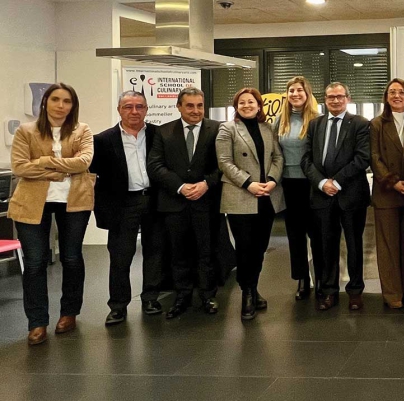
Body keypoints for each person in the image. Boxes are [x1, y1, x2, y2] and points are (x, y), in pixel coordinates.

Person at [9, 83, 94, 346]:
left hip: (74, 201)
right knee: (35, 263)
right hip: (32, 203)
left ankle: (69, 313)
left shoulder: (82, 130)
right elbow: (20, 167)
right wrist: (59, 171)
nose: (61, 105)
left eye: (66, 101)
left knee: (71, 257)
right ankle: (37, 322)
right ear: (45, 102)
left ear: (73, 105)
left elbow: (84, 162)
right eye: (55, 99)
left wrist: (43, 161)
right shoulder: (26, 131)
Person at [90, 90, 165, 326]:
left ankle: (151, 298)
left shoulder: (158, 134)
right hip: (122, 205)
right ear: (119, 110)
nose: (134, 111)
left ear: (146, 109)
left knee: (154, 252)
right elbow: (95, 178)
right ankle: (118, 306)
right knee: (121, 256)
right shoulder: (102, 140)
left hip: (153, 200)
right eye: (128, 106)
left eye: (139, 106)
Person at [147, 86, 222, 319]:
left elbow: (224, 165)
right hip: (174, 203)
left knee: (206, 252)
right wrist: (180, 186)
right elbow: (155, 165)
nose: (195, 110)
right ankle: (182, 297)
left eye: (199, 105)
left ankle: (208, 295)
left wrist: (206, 184)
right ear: (179, 106)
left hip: (206, 201)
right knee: (178, 253)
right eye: (190, 105)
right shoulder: (164, 131)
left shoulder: (217, 130)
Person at [216, 88, 286, 321]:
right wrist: (249, 183)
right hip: (241, 196)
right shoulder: (227, 129)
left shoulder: (268, 129)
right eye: (242, 102)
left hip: (266, 196)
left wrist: (273, 180)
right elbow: (224, 162)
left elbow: (278, 157)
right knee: (245, 247)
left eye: (251, 102)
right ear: (236, 106)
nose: (247, 105)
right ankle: (246, 292)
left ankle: (253, 287)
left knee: (259, 248)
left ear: (259, 106)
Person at [300, 82, 371, 311]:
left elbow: (362, 158)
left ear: (347, 99)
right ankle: (329, 292)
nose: (335, 101)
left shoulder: (360, 123)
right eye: (331, 97)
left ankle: (355, 291)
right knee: (326, 246)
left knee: (353, 245)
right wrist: (322, 183)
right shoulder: (315, 124)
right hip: (322, 196)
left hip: (351, 195)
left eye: (340, 97)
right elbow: (306, 159)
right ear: (325, 99)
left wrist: (337, 182)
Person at [370, 78, 404, 309]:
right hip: (387, 192)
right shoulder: (376, 124)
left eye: (401, 92)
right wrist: (393, 182)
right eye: (392, 92)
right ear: (386, 97)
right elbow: (374, 157)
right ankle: (392, 293)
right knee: (388, 246)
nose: (397, 96)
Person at [274, 76, 322, 301]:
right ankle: (303, 279)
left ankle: (322, 278)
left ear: (307, 94)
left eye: (299, 90)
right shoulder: (280, 121)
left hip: (312, 184)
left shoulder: (317, 120)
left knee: (318, 234)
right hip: (289, 184)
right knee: (295, 235)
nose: (295, 94)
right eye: (291, 90)